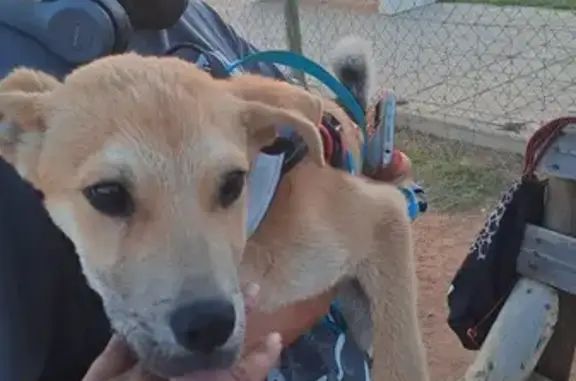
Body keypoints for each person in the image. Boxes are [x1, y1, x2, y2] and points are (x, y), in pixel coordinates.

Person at [0, 1, 371, 381]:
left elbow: (297, 130)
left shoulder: (188, 16)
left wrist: (354, 153)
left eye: (228, 185)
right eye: (112, 195)